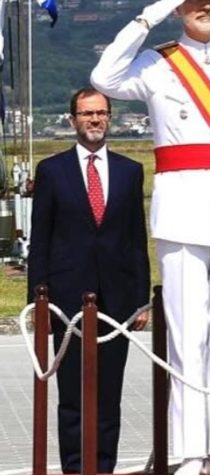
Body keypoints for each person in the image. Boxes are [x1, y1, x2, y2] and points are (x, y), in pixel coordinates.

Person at [90, 1, 210, 474]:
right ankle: (190, 451)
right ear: (179, 9)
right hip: (180, 210)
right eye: (193, 1)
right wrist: (149, 15)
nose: (207, 7)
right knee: (187, 337)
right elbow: (103, 78)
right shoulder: (157, 62)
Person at [27, 87, 150, 474]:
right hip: (66, 300)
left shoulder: (130, 171)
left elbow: (135, 239)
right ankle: (76, 466)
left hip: (116, 301)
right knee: (73, 395)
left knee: (109, 394)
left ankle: (104, 465)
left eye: (101, 113)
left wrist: (141, 300)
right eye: (86, 114)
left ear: (109, 117)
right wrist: (39, 302)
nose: (94, 120)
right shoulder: (52, 171)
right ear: (73, 119)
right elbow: (41, 239)